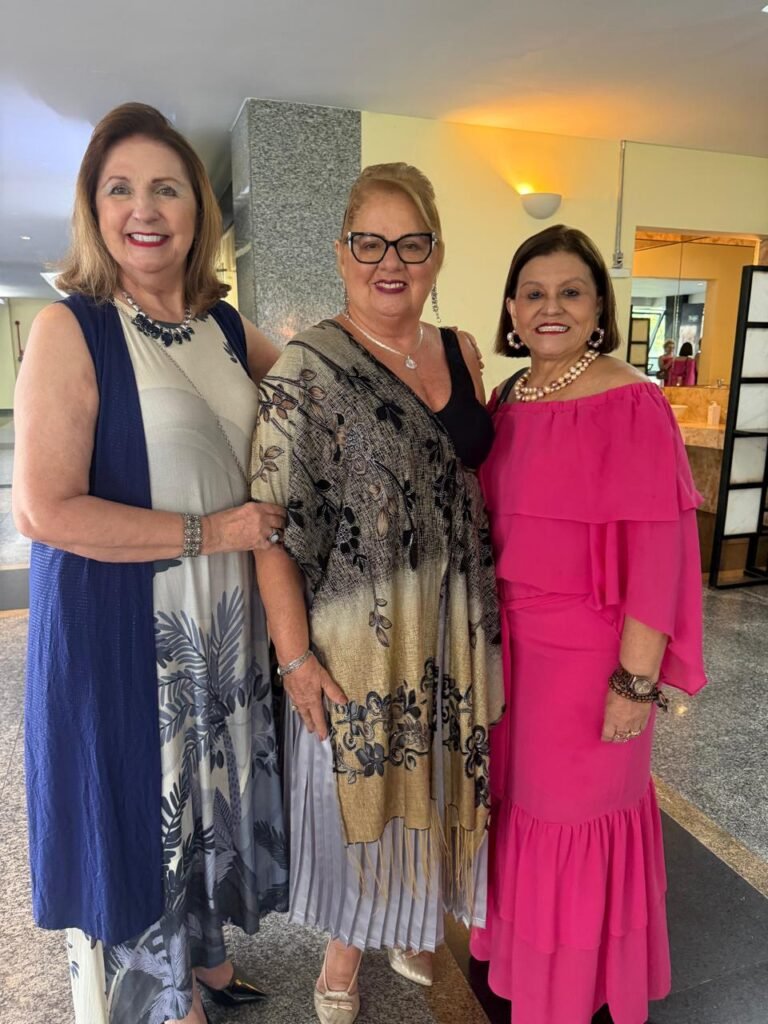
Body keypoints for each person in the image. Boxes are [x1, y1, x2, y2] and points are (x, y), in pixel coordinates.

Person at [13, 103, 289, 1024]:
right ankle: (159, 1001)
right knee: (144, 808)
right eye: (120, 188)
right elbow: (45, 511)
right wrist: (215, 534)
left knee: (202, 798)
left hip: (221, 620)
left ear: (198, 209)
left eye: (166, 188)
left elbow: (313, 390)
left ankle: (203, 959)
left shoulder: (224, 326)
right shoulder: (73, 328)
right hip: (124, 628)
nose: (145, 208)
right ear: (93, 209)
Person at [250, 162, 504, 1023]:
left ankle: (410, 924)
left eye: (411, 243)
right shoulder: (306, 369)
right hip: (357, 637)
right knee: (359, 795)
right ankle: (343, 952)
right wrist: (294, 659)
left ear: (436, 254)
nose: (390, 261)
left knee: (428, 781)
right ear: (341, 253)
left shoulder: (460, 350)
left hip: (451, 625)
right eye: (370, 243)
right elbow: (273, 528)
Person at [470, 225, 707, 1024]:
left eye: (571, 292)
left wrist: (635, 684)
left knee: (575, 820)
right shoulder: (508, 399)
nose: (551, 308)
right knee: (519, 812)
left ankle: (571, 991)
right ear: (511, 308)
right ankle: (524, 962)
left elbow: (660, 556)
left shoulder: (631, 400)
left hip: (590, 661)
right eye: (534, 293)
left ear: (599, 306)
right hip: (510, 658)